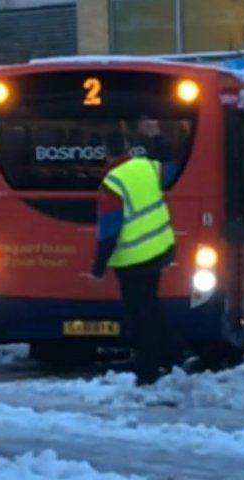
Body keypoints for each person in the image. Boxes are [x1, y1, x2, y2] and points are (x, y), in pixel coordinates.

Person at [89, 120, 184, 385]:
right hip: (160, 249)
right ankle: (174, 356)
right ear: (129, 148)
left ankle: (148, 370)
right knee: (151, 307)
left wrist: (97, 269)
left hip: (132, 260)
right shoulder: (149, 167)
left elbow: (109, 231)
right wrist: (157, 137)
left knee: (139, 315)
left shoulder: (113, 182)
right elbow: (172, 167)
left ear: (106, 154)